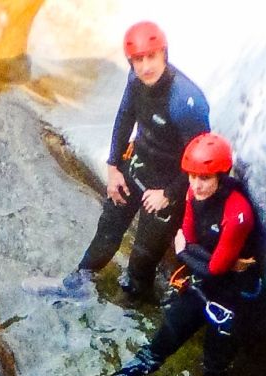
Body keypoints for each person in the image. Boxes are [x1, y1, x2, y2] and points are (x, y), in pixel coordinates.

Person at [57, 22, 210, 302]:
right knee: (108, 229)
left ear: (164, 53)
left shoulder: (185, 101)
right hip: (137, 166)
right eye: (138, 60)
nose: (145, 66)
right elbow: (125, 116)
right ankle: (78, 281)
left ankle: (135, 304)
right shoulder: (135, 80)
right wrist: (113, 166)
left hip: (166, 187)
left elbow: (201, 163)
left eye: (151, 57)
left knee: (142, 261)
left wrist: (168, 195)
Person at [114, 132, 262, 376]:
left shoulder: (237, 213)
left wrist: (184, 252)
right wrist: (193, 253)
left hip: (233, 294)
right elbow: (193, 240)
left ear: (221, 174)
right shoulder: (192, 193)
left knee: (214, 366)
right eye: (192, 177)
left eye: (204, 178)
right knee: (160, 342)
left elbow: (212, 265)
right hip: (205, 283)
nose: (197, 185)